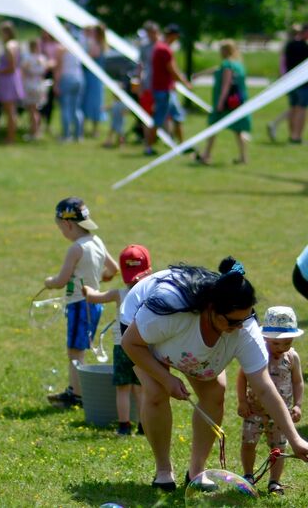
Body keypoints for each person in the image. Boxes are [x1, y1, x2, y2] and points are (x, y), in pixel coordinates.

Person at [120, 257, 308, 491]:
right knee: (156, 391)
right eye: (233, 322)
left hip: (184, 347)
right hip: (141, 332)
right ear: (211, 309)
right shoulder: (170, 309)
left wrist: (295, 439)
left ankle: (196, 472)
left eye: (245, 319)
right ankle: (163, 470)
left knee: (215, 394)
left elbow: (264, 387)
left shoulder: (243, 326)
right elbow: (131, 343)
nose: (240, 327)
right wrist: (167, 378)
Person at [44, 197, 119, 408]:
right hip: (94, 304)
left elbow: (61, 281)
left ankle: (77, 394)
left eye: (61, 228)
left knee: (75, 352)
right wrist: (100, 277)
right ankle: (75, 390)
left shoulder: (76, 248)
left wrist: (49, 283)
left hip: (79, 304)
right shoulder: (97, 241)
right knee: (79, 349)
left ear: (67, 224)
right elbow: (113, 269)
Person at [84, 244, 152, 435]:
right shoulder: (149, 293)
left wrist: (87, 290)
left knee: (123, 389)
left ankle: (124, 426)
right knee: (141, 388)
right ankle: (143, 426)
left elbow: (94, 298)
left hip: (121, 347)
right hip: (142, 347)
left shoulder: (118, 293)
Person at [237, 306, 303, 495]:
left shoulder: (292, 357)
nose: (281, 348)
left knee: (279, 448)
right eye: (275, 343)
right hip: (254, 410)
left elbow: (298, 382)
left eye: (287, 342)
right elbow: (242, 377)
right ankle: (248, 475)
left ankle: (274, 481)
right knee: (248, 443)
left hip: (281, 415)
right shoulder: (257, 355)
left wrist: (297, 405)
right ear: (265, 337)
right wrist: (242, 401)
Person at [198, 40, 251, 165]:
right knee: (238, 130)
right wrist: (200, 74)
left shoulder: (227, 65)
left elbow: (226, 86)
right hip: (237, 103)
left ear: (225, 51)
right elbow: (217, 69)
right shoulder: (238, 64)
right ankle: (243, 157)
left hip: (226, 104)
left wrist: (220, 103)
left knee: (213, 127)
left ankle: (206, 155)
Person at [145, 23, 190, 155]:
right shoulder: (164, 49)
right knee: (158, 119)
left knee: (177, 116)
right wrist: (185, 83)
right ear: (173, 35)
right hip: (163, 90)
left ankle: (181, 145)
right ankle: (148, 147)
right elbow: (172, 70)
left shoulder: (159, 47)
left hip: (165, 89)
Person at [0, 21, 24, 143]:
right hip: (13, 79)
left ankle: (10, 138)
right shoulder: (16, 44)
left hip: (8, 81)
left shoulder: (9, 46)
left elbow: (11, 67)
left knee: (9, 111)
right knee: (11, 111)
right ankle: (10, 136)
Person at [54, 40, 85, 142]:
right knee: (77, 108)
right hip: (79, 78)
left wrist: (56, 84)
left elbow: (59, 68)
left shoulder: (61, 49)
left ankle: (66, 135)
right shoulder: (77, 47)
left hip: (67, 78)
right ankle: (78, 135)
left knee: (66, 108)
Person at [284, 23, 308, 144]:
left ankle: (292, 135)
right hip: (302, 84)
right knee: (301, 109)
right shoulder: (303, 46)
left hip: (290, 82)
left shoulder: (290, 44)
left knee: (293, 108)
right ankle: (296, 136)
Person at [20, 38, 48, 141]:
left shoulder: (27, 58)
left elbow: (23, 71)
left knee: (32, 110)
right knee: (36, 109)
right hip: (39, 84)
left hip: (30, 84)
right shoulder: (42, 58)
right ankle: (37, 130)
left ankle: (34, 132)